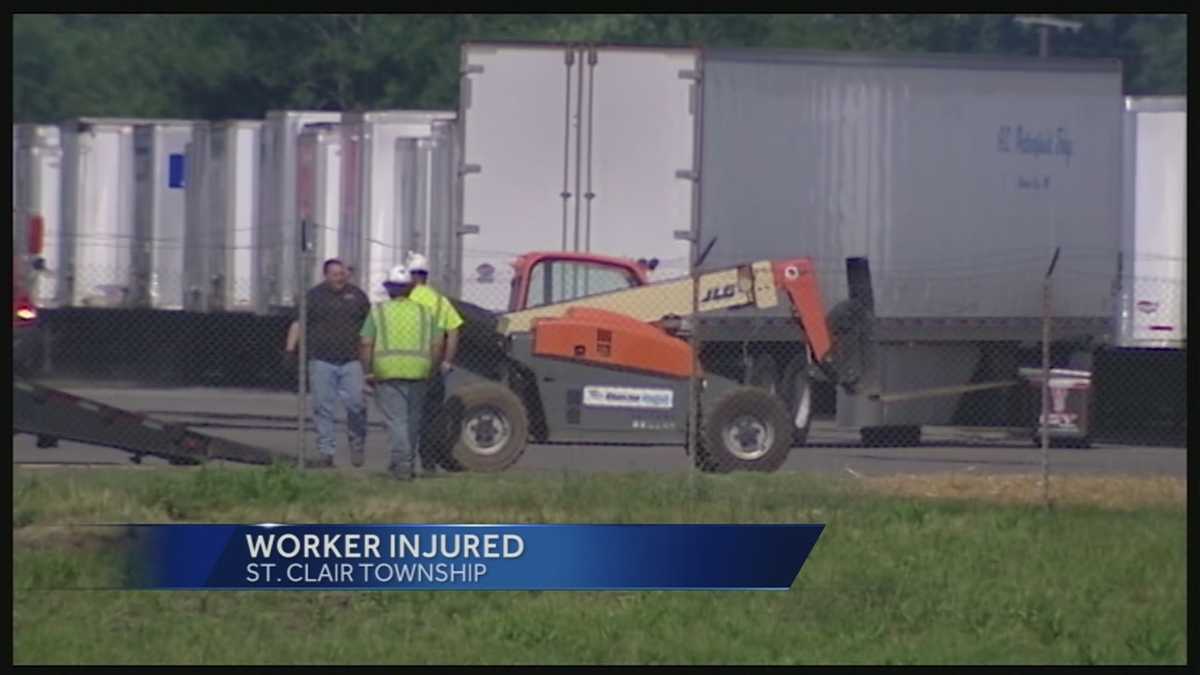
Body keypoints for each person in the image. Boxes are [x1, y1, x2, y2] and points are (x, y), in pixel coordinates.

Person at [285, 259, 371, 469]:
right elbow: (298, 324)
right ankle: (326, 451)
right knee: (323, 408)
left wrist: (371, 356)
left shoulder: (357, 296)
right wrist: (289, 350)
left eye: (342, 274)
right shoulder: (314, 296)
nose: (339, 278)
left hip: (351, 361)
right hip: (321, 361)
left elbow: (370, 327)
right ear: (326, 275)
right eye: (335, 274)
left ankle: (357, 444)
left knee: (356, 404)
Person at [359, 265, 438, 481]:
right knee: (412, 420)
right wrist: (431, 367)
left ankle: (403, 465)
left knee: (397, 421)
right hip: (419, 370)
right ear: (411, 289)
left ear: (389, 289)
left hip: (387, 371)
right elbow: (436, 344)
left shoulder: (378, 311)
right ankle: (405, 462)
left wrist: (367, 371)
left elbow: (366, 343)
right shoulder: (425, 312)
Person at [405, 251, 465, 474]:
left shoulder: (402, 299)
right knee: (430, 416)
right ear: (426, 275)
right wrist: (447, 361)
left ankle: (405, 462)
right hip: (432, 365)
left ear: (409, 276)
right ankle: (428, 463)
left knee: (408, 415)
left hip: (406, 364)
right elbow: (454, 331)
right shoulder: (439, 301)